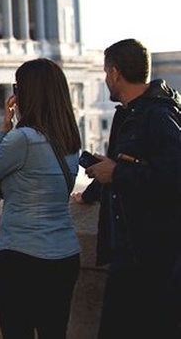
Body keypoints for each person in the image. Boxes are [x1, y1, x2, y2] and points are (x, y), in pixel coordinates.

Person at [78, 39, 181, 338]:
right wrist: (92, 190)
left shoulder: (159, 116)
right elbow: (125, 168)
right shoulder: (130, 113)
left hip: (150, 258)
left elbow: (173, 175)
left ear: (115, 73)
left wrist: (118, 172)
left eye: (106, 73)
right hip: (133, 252)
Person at [0, 59, 81, 338]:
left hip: (22, 256)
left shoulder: (21, 138)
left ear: (27, 93)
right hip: (66, 254)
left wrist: (4, 128)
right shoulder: (70, 139)